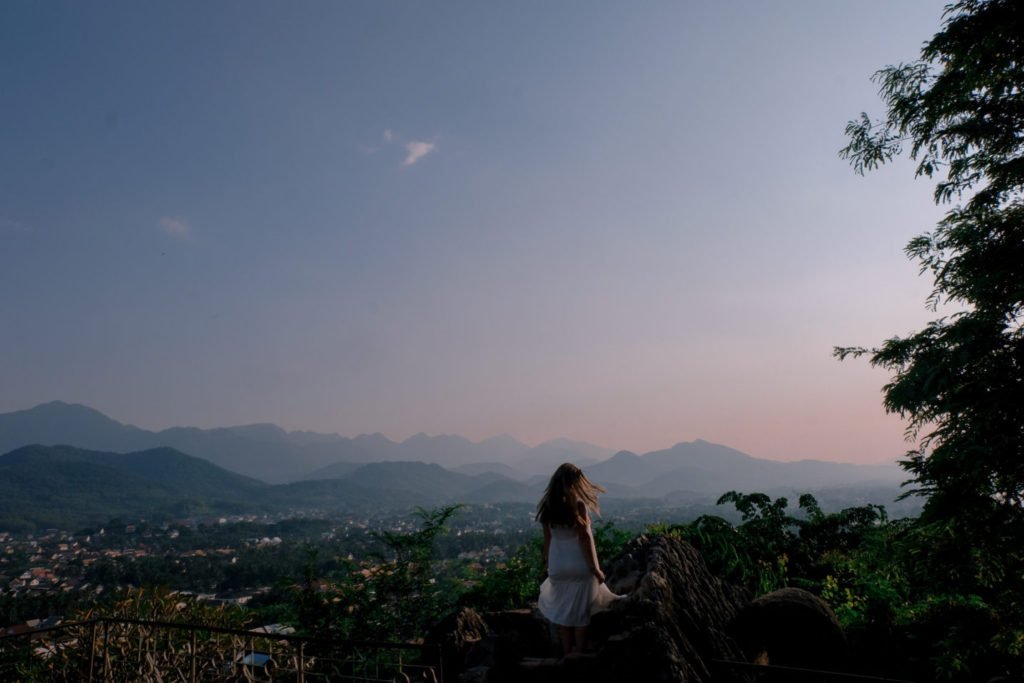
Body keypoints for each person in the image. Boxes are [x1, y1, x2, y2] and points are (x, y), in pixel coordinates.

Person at [536, 462, 619, 657]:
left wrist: (547, 565)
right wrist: (595, 569)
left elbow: (547, 540)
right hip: (579, 566)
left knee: (565, 615)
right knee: (581, 615)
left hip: (557, 568)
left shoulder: (547, 507)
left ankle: (566, 655)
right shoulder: (578, 506)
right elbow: (585, 539)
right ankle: (579, 656)